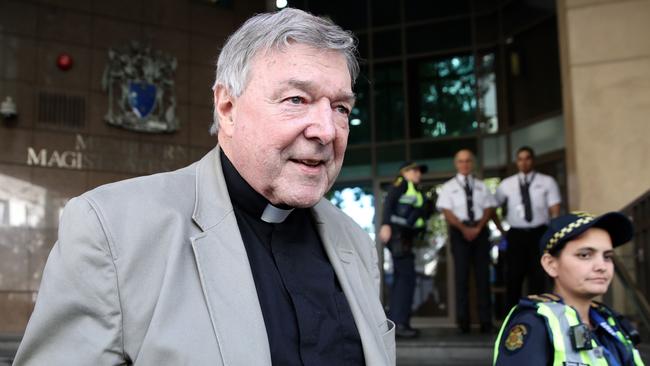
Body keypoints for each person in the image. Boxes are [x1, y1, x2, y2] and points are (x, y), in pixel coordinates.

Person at [14, 8, 395, 366]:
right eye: (297, 99)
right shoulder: (111, 231)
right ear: (227, 108)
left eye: (341, 108)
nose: (326, 130)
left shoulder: (355, 243)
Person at [493, 211, 645, 366]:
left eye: (607, 257)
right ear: (551, 265)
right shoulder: (535, 324)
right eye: (584, 255)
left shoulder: (609, 322)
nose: (602, 267)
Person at [436, 149, 497, 334]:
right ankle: (464, 323)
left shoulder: (481, 186)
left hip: (480, 232)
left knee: (483, 278)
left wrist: (478, 228)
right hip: (459, 233)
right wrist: (464, 229)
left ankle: (486, 322)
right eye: (461, 161)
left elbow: (489, 208)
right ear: (456, 164)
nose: (465, 164)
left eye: (468, 161)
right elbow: (447, 212)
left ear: (472, 163)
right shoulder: (448, 187)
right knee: (461, 278)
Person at [495, 146, 562, 310]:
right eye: (520, 159)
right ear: (516, 162)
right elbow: (491, 207)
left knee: (538, 276)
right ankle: (512, 317)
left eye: (527, 158)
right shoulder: (507, 184)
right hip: (516, 234)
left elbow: (555, 208)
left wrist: (552, 231)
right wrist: (502, 231)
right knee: (513, 277)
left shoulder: (546, 181)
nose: (524, 162)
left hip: (539, 233)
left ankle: (537, 315)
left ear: (533, 160)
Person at [379, 161, 431, 339]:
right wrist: (385, 225)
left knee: (405, 280)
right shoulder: (401, 184)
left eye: (419, 171)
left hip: (406, 240)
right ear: (405, 172)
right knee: (405, 281)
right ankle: (399, 324)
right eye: (414, 170)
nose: (418, 174)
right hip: (399, 239)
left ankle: (401, 323)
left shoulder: (416, 190)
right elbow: (389, 202)